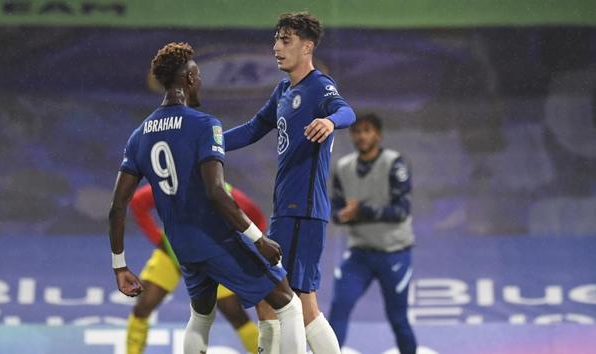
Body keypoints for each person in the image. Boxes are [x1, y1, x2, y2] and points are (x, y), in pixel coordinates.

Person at [108, 42, 307, 354]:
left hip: (181, 247)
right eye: (197, 75)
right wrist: (258, 239)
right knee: (289, 304)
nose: (200, 81)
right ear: (188, 79)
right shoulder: (205, 124)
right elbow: (216, 192)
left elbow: (118, 206)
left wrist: (119, 266)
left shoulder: (139, 135)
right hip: (215, 240)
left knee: (201, 316)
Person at [224, 12, 355, 354]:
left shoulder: (319, 86)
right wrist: (209, 143)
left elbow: (347, 111)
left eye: (286, 40)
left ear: (307, 46)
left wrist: (330, 121)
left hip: (305, 210)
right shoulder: (284, 89)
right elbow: (254, 128)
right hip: (286, 208)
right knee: (273, 297)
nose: (276, 47)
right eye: (276, 39)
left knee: (297, 301)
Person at [126, 182, 266, 354]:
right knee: (144, 305)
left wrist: (241, 249)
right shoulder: (170, 187)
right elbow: (138, 202)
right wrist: (158, 240)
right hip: (174, 254)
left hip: (214, 260)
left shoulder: (228, 195)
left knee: (234, 314)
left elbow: (258, 219)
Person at [328, 113, 418, 354]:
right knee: (338, 308)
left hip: (394, 253)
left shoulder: (394, 163)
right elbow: (335, 210)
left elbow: (402, 211)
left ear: (378, 134)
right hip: (359, 253)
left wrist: (362, 211)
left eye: (367, 130)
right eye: (356, 131)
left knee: (398, 318)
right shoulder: (342, 167)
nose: (361, 136)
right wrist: (343, 215)